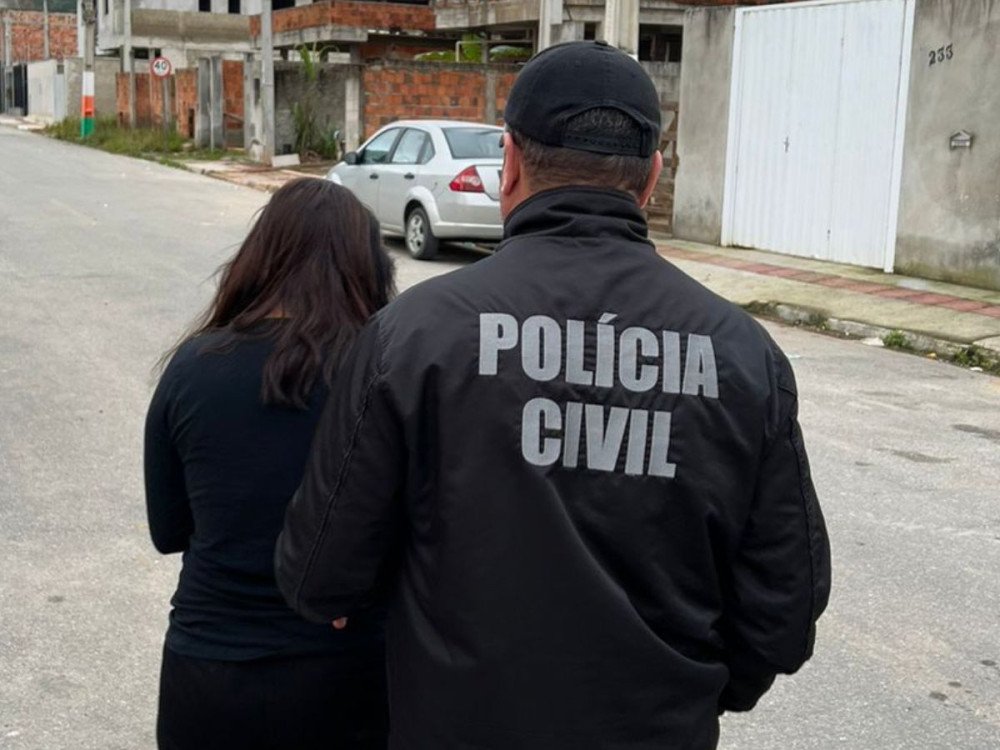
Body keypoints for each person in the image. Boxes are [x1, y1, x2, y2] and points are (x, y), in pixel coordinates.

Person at [275, 41, 831, 749]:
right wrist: (693, 689)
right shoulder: (744, 357)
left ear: (508, 164)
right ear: (652, 177)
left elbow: (320, 573)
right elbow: (783, 613)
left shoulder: (411, 337)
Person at [144, 178, 395, 750]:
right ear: (368, 266)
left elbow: (168, 531)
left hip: (210, 674)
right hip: (350, 671)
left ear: (261, 255)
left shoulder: (193, 367)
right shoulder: (384, 369)